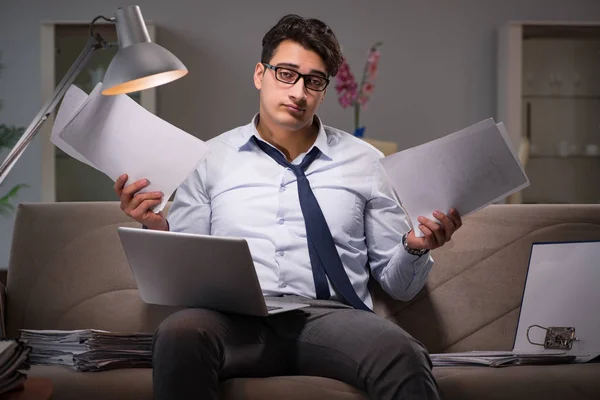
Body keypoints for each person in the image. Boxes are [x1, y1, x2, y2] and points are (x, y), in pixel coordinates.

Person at [114, 14, 462, 400]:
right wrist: (158, 229)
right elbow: (185, 274)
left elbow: (398, 285)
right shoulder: (208, 158)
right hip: (235, 320)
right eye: (286, 74)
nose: (299, 92)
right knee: (180, 333)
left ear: (324, 91)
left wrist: (415, 246)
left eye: (313, 81)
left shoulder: (367, 163)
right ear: (260, 74)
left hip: (334, 319)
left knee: (402, 353)